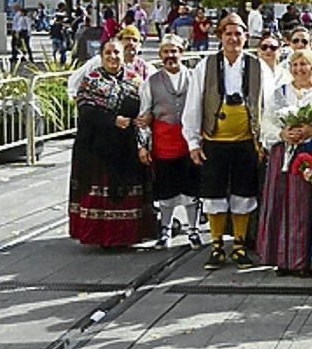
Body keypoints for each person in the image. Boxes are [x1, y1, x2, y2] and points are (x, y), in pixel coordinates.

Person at [182, 13, 275, 270]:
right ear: (220, 37)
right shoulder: (206, 66)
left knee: (244, 194)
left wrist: (264, 142)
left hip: (247, 142)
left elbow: (269, 106)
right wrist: (193, 142)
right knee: (213, 195)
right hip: (215, 141)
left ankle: (239, 244)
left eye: (238, 34)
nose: (233, 39)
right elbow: (193, 106)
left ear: (246, 37)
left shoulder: (258, 67)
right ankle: (215, 245)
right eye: (228, 34)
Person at [68, 38, 156, 247]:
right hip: (96, 147)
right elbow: (86, 110)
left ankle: (126, 235)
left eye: (116, 53)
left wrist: (146, 119)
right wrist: (112, 120)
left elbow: (144, 109)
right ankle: (100, 236)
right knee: (98, 191)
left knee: (126, 191)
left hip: (126, 148)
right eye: (108, 53)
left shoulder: (135, 80)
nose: (112, 57)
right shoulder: (91, 80)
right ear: (101, 56)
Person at [257, 48, 312, 274]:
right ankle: (282, 258)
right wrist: (282, 134)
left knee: (305, 206)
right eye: (295, 65)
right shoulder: (280, 93)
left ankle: (304, 260)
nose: (299, 70)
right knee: (282, 203)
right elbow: (266, 122)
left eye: (304, 64)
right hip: (284, 154)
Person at [137, 35, 202, 250]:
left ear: (181, 53)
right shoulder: (152, 82)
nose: (170, 56)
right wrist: (143, 145)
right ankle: (164, 230)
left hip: (189, 141)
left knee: (191, 189)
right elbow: (144, 116)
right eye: (165, 52)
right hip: (163, 141)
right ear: (160, 55)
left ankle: (193, 229)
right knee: (166, 190)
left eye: (174, 51)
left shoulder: (194, 77)